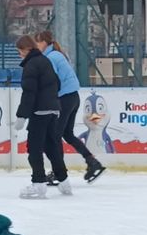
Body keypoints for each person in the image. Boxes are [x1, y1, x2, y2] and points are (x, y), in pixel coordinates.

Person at [35, 30, 106, 184]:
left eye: (38, 42)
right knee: (67, 134)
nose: (37, 46)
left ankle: (58, 171)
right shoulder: (58, 54)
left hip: (64, 99)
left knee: (54, 137)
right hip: (73, 97)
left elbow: (52, 81)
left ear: (45, 43)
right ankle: (92, 162)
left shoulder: (50, 58)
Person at [15, 35, 70, 199]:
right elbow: (57, 84)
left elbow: (29, 93)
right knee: (52, 147)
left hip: (39, 112)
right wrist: (52, 101)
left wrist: (21, 115)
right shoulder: (45, 61)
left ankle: (38, 183)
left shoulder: (31, 65)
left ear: (26, 49)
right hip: (53, 110)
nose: (19, 55)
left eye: (19, 51)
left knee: (34, 149)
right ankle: (63, 180)